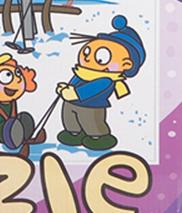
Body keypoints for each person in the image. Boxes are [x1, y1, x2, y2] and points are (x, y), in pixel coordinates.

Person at [56, 15, 146, 150]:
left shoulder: (106, 80)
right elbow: (76, 80)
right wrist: (67, 87)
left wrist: (75, 93)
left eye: (101, 57)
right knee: (69, 118)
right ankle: (74, 132)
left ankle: (98, 137)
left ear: (126, 64)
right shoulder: (82, 71)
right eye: (87, 51)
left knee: (91, 123)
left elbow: (92, 89)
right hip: (71, 102)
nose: (88, 58)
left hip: (91, 106)